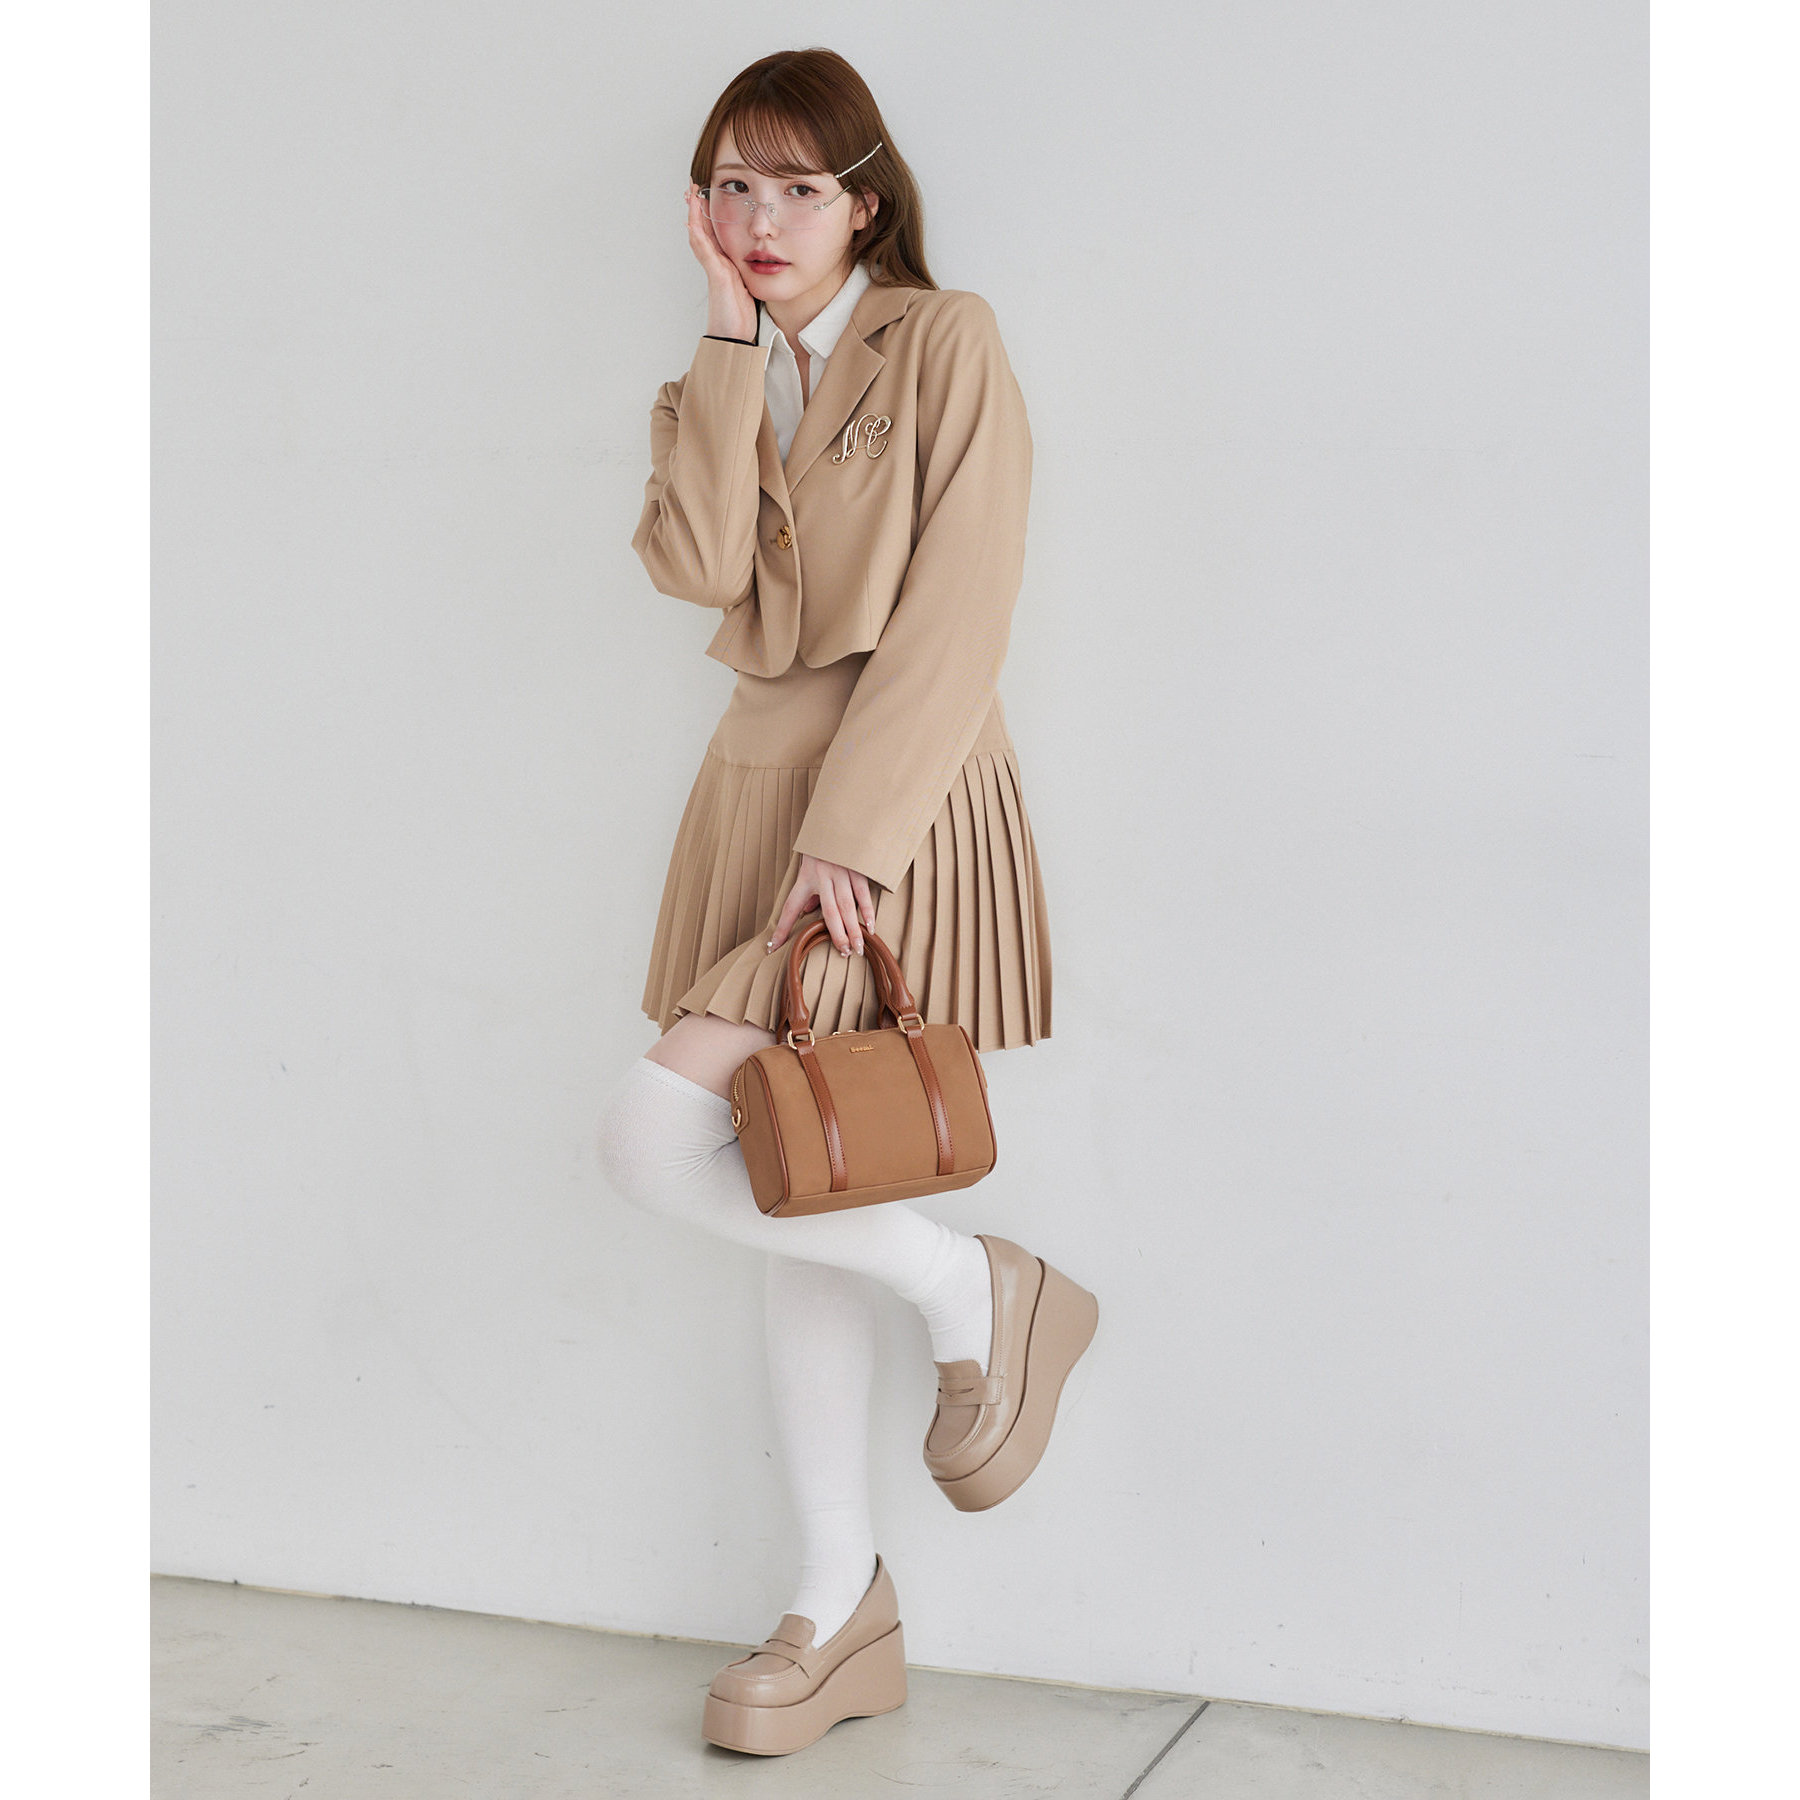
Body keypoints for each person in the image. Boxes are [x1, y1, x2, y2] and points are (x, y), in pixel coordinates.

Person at [595, 47, 1098, 1757]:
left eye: (796, 188)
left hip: (893, 794)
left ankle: (978, 1299)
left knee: (661, 1141)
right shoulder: (707, 382)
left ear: (864, 203)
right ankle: (839, 1599)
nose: (760, 217)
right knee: (794, 1164)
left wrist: (860, 838)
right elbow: (691, 566)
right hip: (755, 793)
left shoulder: (943, 341)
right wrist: (728, 347)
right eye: (731, 186)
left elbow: (965, 600)